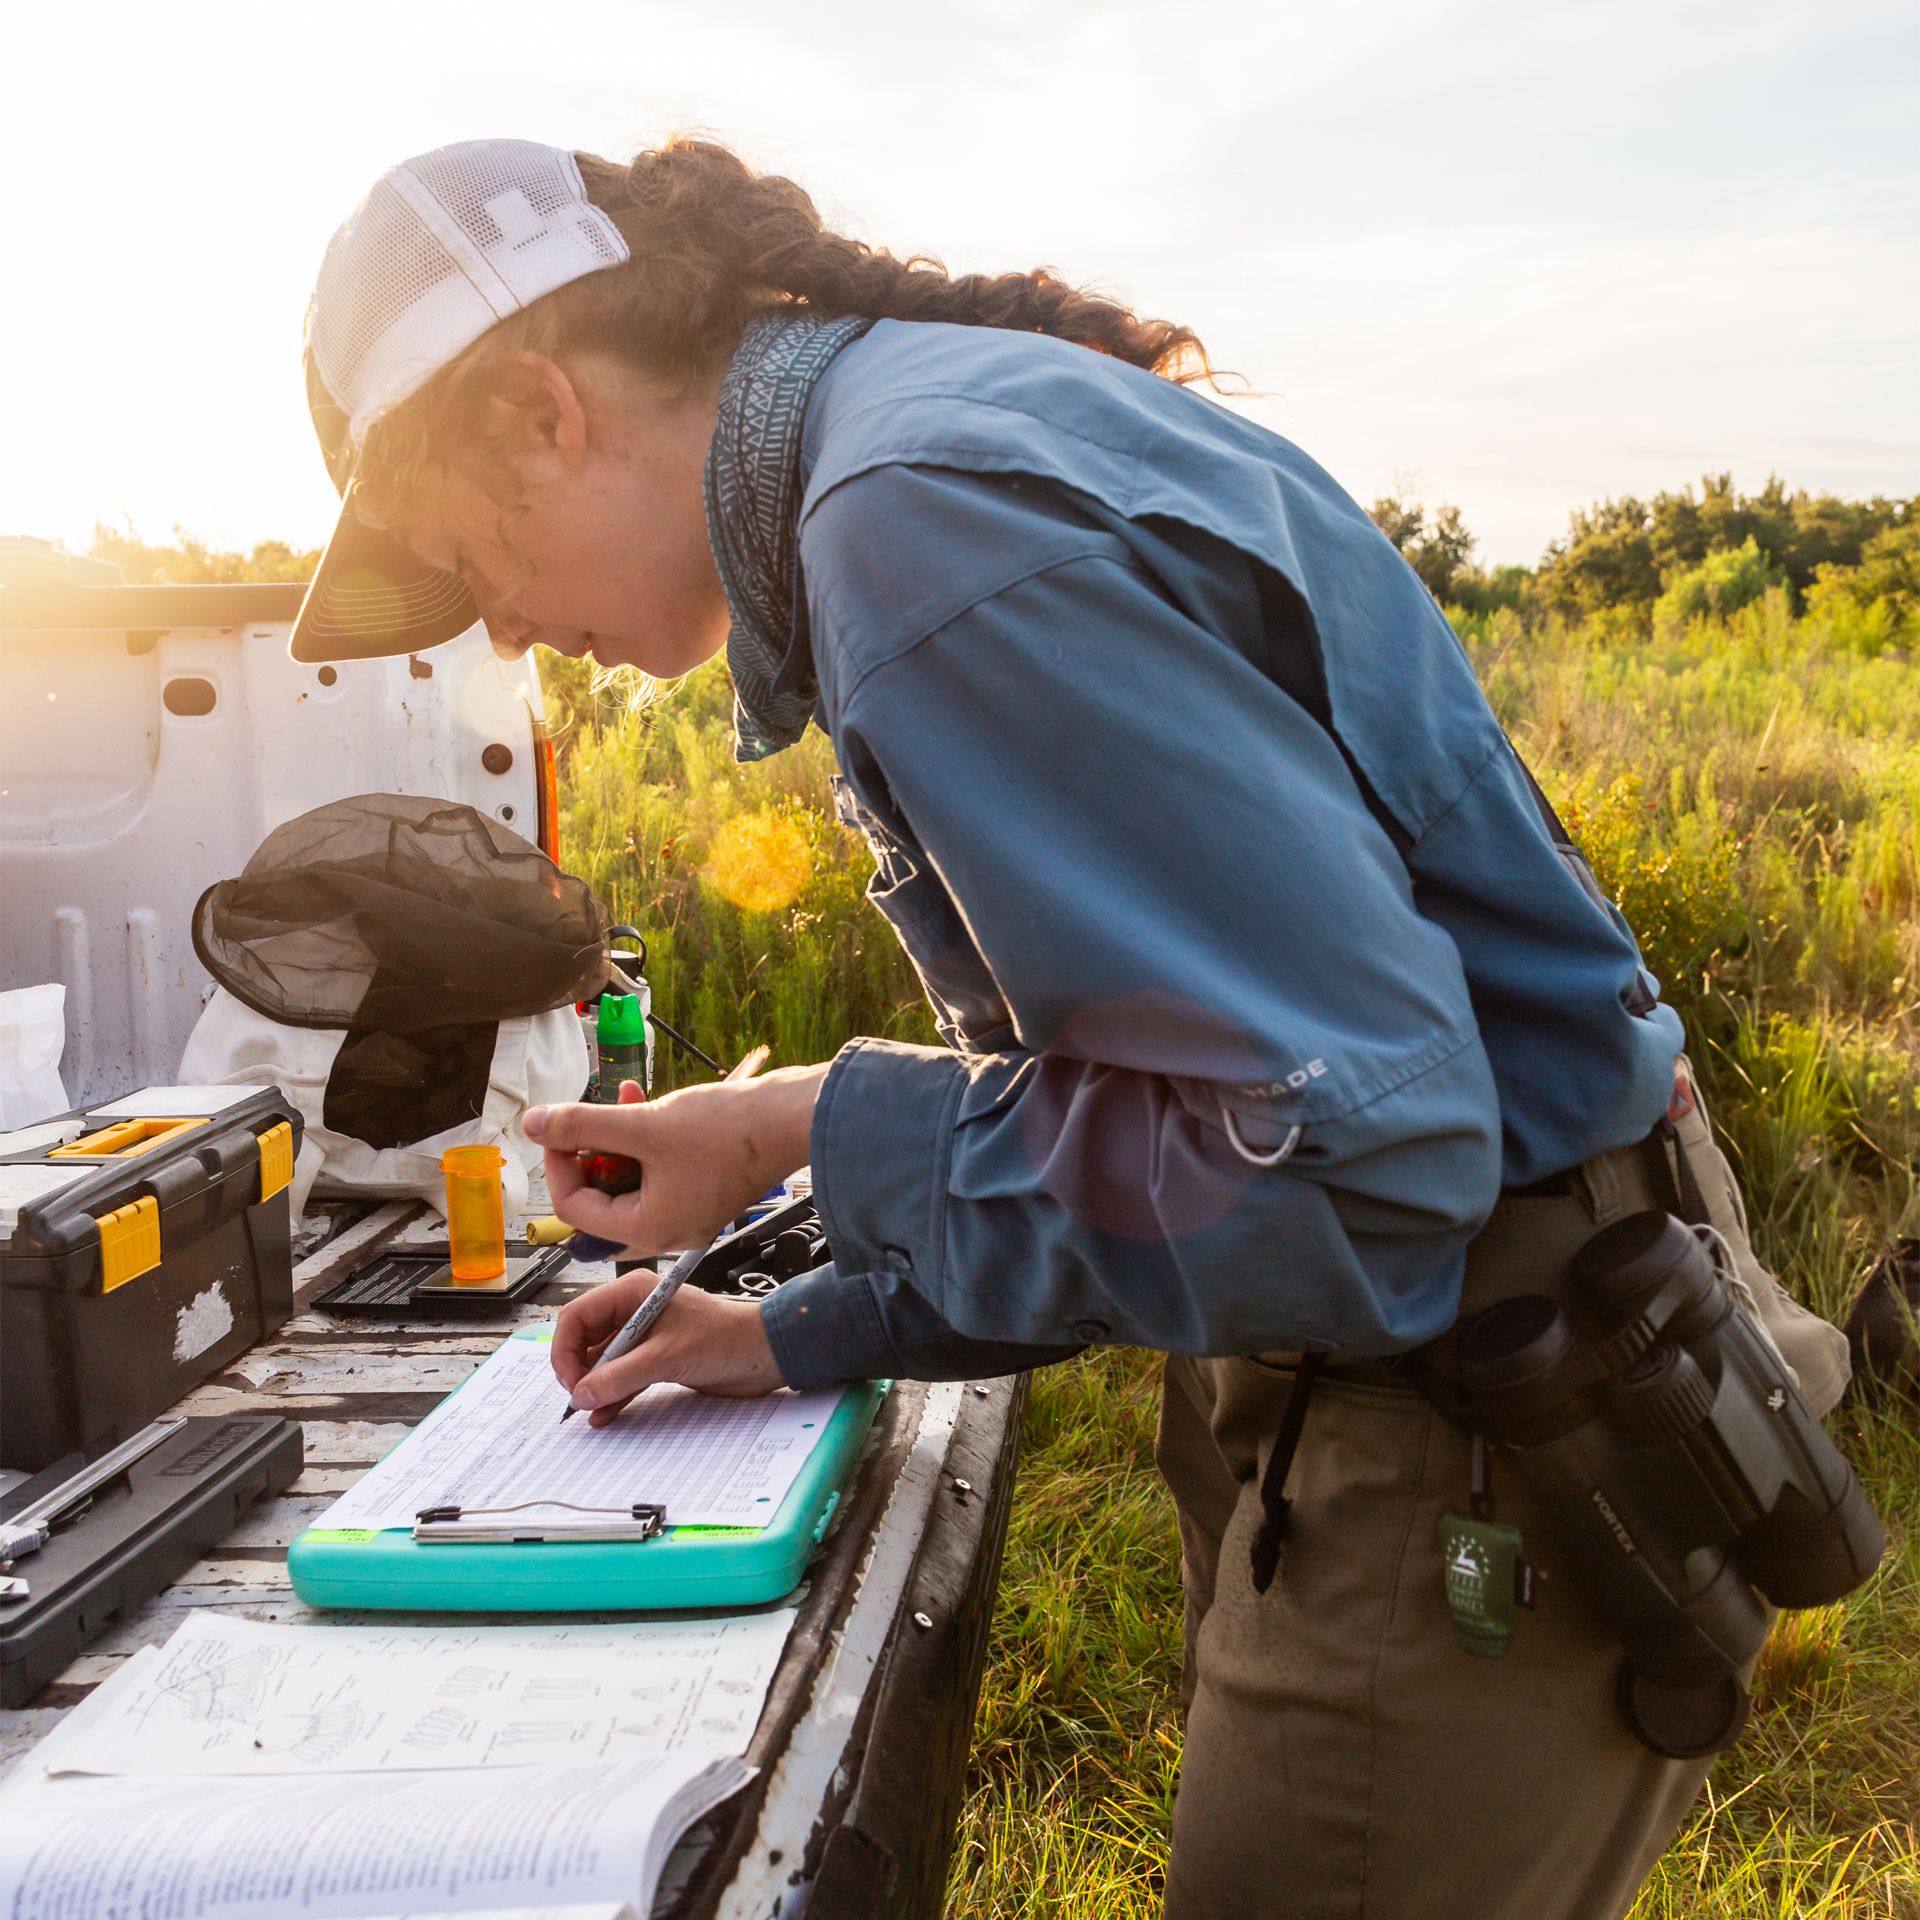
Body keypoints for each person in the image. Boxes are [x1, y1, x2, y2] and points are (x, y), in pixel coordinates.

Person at [291, 136, 1852, 1919]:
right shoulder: (936, 439)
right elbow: (1207, 1116)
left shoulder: (922, 527)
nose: (497, 619)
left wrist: (817, 1121)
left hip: (1473, 1401)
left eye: (462, 553)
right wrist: (797, 1325)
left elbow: (1346, 1165)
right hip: (1469, 1334)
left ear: (535, 412)